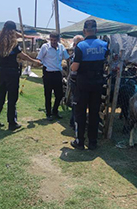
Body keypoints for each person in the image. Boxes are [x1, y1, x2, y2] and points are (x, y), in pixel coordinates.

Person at [0, 21, 41, 131]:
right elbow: (23, 56)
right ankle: (12, 123)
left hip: (1, 73)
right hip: (12, 74)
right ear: (13, 30)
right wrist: (34, 61)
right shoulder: (13, 44)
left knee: (0, 97)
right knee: (12, 99)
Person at [69, 20, 109, 150]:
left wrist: (71, 67)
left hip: (83, 84)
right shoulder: (104, 45)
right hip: (97, 84)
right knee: (94, 113)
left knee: (80, 113)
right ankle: (93, 142)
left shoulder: (80, 46)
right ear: (96, 31)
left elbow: (75, 67)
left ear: (84, 31)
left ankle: (79, 141)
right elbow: (107, 62)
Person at [38, 32, 68, 120]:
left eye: (55, 40)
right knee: (48, 95)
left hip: (58, 73)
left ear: (58, 40)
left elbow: (67, 57)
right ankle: (48, 113)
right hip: (48, 73)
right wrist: (40, 64)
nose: (53, 42)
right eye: (51, 40)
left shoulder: (61, 47)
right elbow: (39, 58)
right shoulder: (45, 47)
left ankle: (55, 111)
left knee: (59, 94)